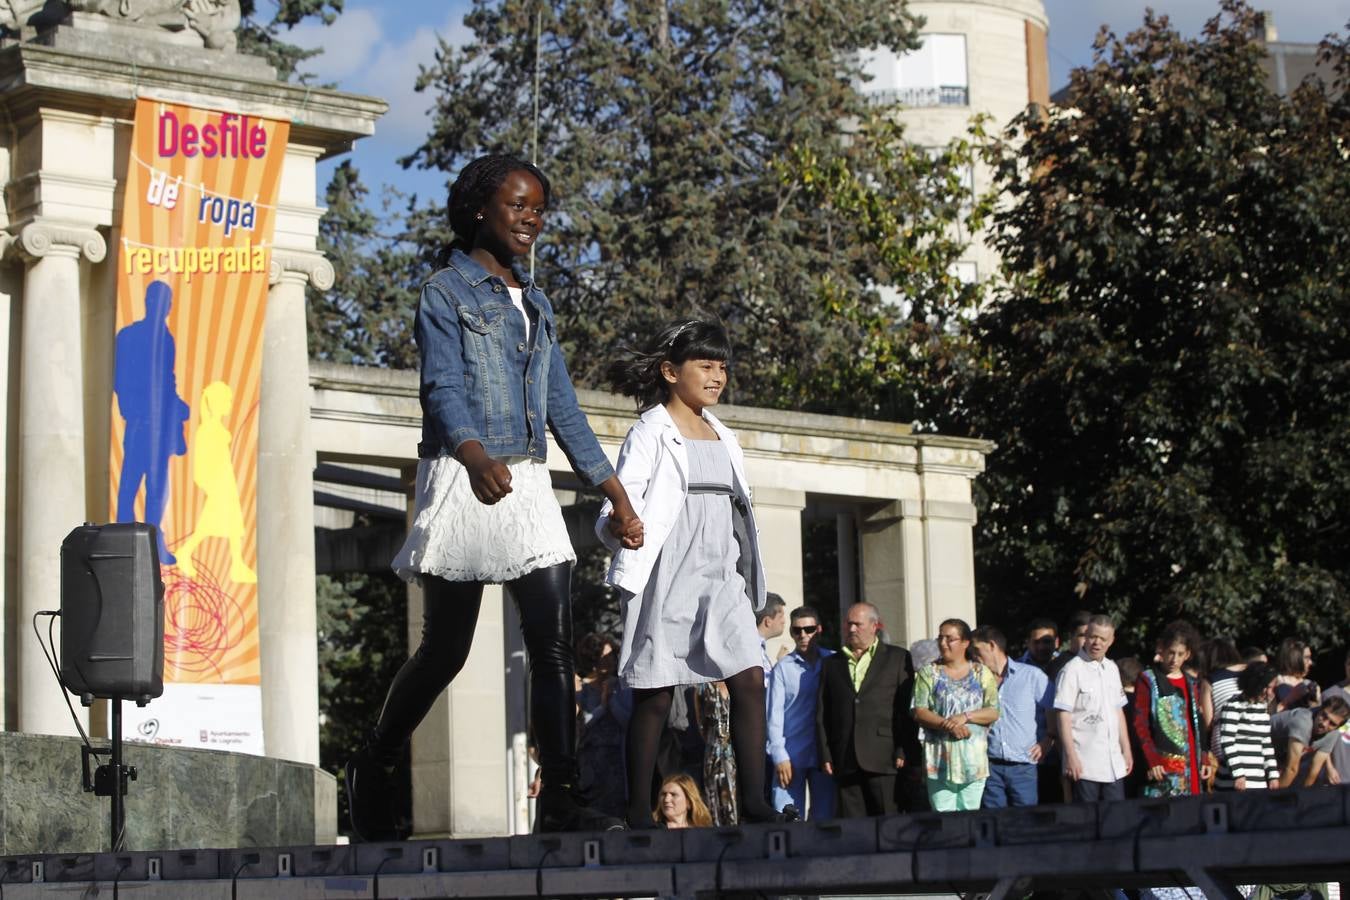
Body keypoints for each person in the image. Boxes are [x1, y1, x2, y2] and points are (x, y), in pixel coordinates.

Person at [345, 154, 645, 840]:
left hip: (529, 480)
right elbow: (441, 388)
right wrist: (474, 453)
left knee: (554, 643)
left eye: (540, 208)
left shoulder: (534, 301)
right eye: (519, 205)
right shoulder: (445, 293)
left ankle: (562, 798)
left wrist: (615, 494)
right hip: (467, 473)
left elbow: (563, 407)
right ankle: (375, 762)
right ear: (481, 207)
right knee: (446, 651)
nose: (532, 219)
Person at [599, 319, 788, 828]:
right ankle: (637, 812)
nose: (717, 376)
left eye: (722, 367)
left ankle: (753, 802)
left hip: (721, 570)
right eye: (705, 365)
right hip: (667, 569)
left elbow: (739, 509)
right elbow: (622, 496)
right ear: (669, 371)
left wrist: (749, 573)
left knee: (749, 676)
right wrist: (618, 525)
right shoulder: (651, 429)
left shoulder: (724, 434)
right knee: (656, 693)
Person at [114, 279, 192, 564]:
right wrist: (132, 410)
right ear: (148, 302)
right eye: (161, 302)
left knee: (158, 488)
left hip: (160, 424)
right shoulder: (129, 336)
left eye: (167, 303)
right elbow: (119, 378)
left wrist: (177, 406)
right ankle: (125, 543)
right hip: (140, 422)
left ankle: (152, 544)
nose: (164, 308)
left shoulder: (165, 337)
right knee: (130, 484)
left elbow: (166, 380)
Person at [816, 602, 918, 816]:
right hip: (844, 757)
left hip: (884, 756)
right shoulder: (832, 663)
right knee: (853, 830)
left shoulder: (898, 658)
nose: (851, 629)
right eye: (848, 624)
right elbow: (823, 712)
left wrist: (903, 748)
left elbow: (905, 708)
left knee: (888, 823)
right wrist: (826, 754)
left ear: (875, 626)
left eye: (857, 624)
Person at [910, 619, 1000, 811]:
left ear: (965, 642)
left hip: (973, 763)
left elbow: (993, 711)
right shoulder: (928, 673)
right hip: (939, 763)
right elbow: (919, 710)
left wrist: (966, 716)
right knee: (944, 821)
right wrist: (948, 724)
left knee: (970, 820)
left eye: (949, 638)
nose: (943, 643)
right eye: (940, 638)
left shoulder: (981, 673)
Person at [175, 381, 255, 583]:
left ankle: (237, 564)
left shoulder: (215, 428)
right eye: (227, 399)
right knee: (212, 525)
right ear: (217, 402)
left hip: (226, 483)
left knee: (232, 526)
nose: (230, 403)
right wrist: (209, 486)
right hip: (219, 486)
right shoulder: (208, 430)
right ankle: (186, 551)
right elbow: (200, 465)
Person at [1054, 615, 1133, 802]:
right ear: (1086, 636)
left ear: (1111, 641)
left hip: (1113, 764)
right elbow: (1063, 716)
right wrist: (1070, 756)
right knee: (1087, 822)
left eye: (1103, 639)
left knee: (1116, 819)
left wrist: (1126, 750)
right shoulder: (1071, 670)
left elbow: (1118, 712)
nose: (1097, 643)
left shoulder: (1112, 669)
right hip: (1085, 765)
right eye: (1093, 637)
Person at [972, 625, 1052, 808]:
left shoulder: (1031, 676)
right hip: (989, 765)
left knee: (1025, 822)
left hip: (1023, 765)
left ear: (992, 645)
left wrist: (1049, 738)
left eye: (977, 650)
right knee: (993, 822)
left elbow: (1052, 708)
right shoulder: (976, 680)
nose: (975, 656)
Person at [768, 606, 835, 819]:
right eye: (797, 631)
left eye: (809, 629)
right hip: (791, 753)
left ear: (819, 630)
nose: (804, 635)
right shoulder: (782, 668)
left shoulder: (833, 661)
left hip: (824, 753)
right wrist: (779, 756)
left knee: (825, 820)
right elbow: (773, 716)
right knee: (787, 818)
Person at [1131, 621, 1210, 797]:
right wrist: (1151, 759)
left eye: (1180, 654)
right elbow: (1140, 724)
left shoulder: (1191, 683)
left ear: (1187, 654)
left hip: (1193, 764)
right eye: (1171, 653)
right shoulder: (1148, 680)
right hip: (1164, 765)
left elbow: (1198, 723)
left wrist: (1203, 756)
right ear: (1162, 650)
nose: (1174, 659)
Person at [575, 633, 627, 820]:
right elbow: (585, 724)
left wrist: (613, 698)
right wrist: (604, 705)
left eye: (611, 655)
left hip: (618, 758)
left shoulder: (621, 685)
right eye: (604, 657)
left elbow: (627, 720)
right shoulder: (583, 689)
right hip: (592, 759)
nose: (610, 660)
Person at [1213, 663, 1280, 791]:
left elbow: (1266, 744)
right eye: (1268, 688)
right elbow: (1227, 742)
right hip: (1233, 781)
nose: (1270, 693)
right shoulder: (1234, 705)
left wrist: (1273, 775)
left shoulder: (1262, 708)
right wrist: (1238, 774)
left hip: (1257, 781)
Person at [1273, 696, 1349, 788]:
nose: (1324, 724)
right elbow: (1291, 769)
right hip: (1257, 746)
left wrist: (1304, 799)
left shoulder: (1333, 734)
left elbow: (1313, 773)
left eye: (1332, 724)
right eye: (1324, 716)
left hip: (1276, 758)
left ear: (1337, 727)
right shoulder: (1303, 721)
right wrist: (1276, 801)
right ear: (1320, 709)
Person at [694, 680, 738, 825]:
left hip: (735, 748)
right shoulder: (702, 687)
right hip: (713, 748)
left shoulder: (738, 683)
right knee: (713, 793)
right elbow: (701, 724)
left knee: (735, 792)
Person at [1273, 638, 1320, 711]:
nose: (1310, 662)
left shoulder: (1309, 685)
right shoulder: (1275, 682)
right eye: (1306, 658)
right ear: (1294, 657)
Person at [757, 592, 788, 680]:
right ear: (768, 621)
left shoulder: (757, 646)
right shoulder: (753, 648)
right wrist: (781, 664)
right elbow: (765, 686)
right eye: (781, 616)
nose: (784, 621)